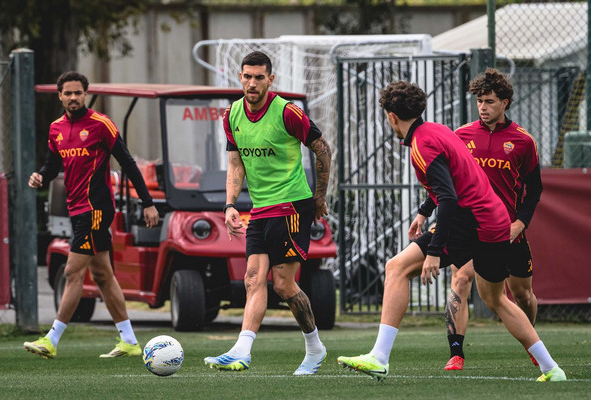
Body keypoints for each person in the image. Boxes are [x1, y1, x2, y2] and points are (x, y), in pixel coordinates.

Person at [337, 81, 565, 382]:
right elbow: (455, 181)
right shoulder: (440, 131)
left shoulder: (422, 145)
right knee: (497, 300)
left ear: (392, 117)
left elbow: (448, 198)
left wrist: (434, 252)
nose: (483, 107)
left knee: (396, 268)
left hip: (471, 221)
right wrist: (423, 211)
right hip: (493, 220)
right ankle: (552, 368)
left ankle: (379, 357)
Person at [203, 51, 331, 375]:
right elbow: (236, 164)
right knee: (252, 278)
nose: (252, 83)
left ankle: (315, 348)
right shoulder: (232, 115)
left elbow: (322, 149)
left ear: (270, 80)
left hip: (292, 206)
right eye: (247, 76)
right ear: (240, 77)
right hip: (259, 209)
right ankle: (242, 351)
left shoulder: (288, 112)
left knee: (283, 286)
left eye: (259, 77)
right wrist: (230, 204)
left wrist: (319, 197)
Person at [24, 71, 159, 359]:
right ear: (60, 96)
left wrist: (147, 202)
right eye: (68, 93)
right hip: (77, 210)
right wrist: (40, 176)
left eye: (78, 93)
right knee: (102, 275)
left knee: (72, 272)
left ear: (86, 94)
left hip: (96, 209)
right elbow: (53, 164)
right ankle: (129, 341)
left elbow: (127, 162)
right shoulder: (56, 128)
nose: (73, 97)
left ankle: (51, 340)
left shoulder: (101, 124)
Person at [439, 68, 542, 371]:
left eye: (489, 101)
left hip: (509, 231)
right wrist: (426, 210)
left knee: (522, 294)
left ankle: (531, 342)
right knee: (461, 279)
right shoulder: (461, 135)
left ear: (505, 103)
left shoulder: (523, 141)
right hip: (470, 228)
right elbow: (445, 181)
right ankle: (456, 353)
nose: (483, 107)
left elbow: (535, 189)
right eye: (479, 101)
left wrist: (520, 224)